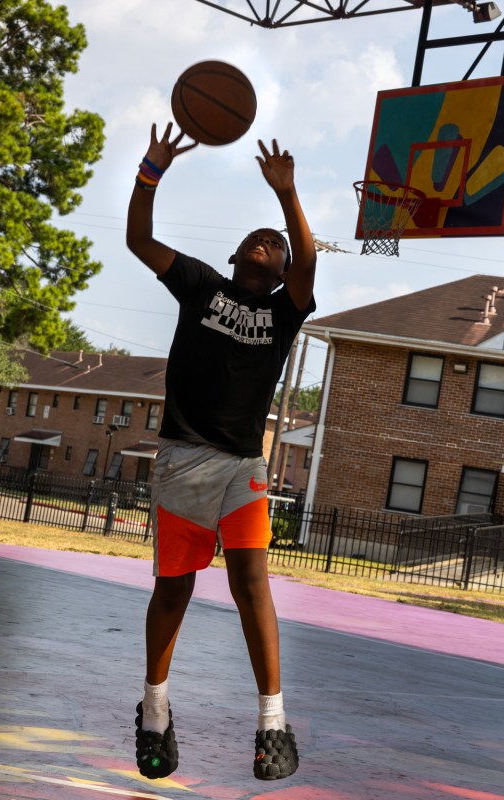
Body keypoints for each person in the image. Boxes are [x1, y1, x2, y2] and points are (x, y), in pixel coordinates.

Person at [125, 122, 317, 782]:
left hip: (243, 467)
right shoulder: (202, 285)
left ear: (283, 272)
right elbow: (139, 241)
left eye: (280, 245)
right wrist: (150, 172)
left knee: (251, 583)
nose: (270, 240)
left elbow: (310, 265)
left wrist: (288, 195)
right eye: (261, 236)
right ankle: (154, 711)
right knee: (173, 591)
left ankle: (271, 725)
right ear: (239, 254)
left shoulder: (284, 313)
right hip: (184, 459)